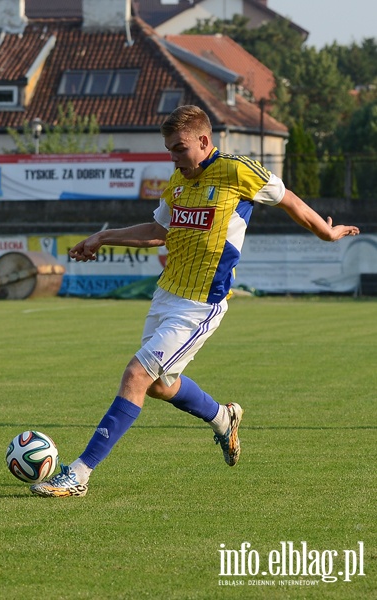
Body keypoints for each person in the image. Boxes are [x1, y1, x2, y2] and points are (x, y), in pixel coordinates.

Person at [31, 105, 360, 498]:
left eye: (180, 149)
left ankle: (79, 474)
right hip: (166, 294)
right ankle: (223, 418)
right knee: (157, 386)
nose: (175, 158)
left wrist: (327, 232)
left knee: (136, 375)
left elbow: (289, 200)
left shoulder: (239, 171)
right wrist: (104, 236)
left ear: (204, 141)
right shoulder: (178, 179)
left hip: (200, 305)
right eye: (170, 150)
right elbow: (159, 230)